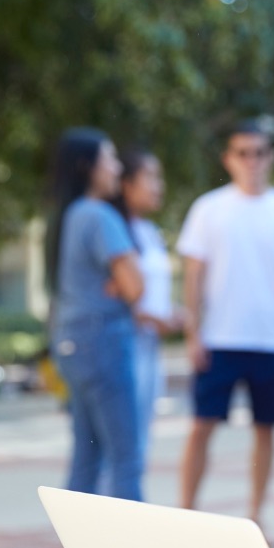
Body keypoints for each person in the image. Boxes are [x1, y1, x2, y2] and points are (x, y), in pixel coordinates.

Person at [176, 120, 274, 527]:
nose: (252, 160)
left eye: (259, 152)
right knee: (202, 426)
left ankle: (256, 516)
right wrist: (193, 332)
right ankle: (185, 514)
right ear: (229, 159)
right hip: (218, 339)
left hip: (270, 340)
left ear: (269, 157)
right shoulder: (208, 209)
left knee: (266, 430)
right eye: (243, 153)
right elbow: (193, 275)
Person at [47, 127, 145, 502]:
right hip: (102, 342)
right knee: (125, 457)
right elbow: (136, 287)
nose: (118, 169)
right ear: (87, 166)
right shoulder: (100, 215)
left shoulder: (69, 215)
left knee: (87, 457)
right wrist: (125, 279)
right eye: (111, 159)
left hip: (72, 343)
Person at [117, 149, 179, 456]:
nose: (159, 186)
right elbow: (122, 295)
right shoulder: (115, 229)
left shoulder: (149, 231)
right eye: (150, 177)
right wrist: (159, 319)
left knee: (140, 445)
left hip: (150, 347)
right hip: (125, 348)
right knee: (124, 448)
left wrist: (172, 316)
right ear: (126, 183)